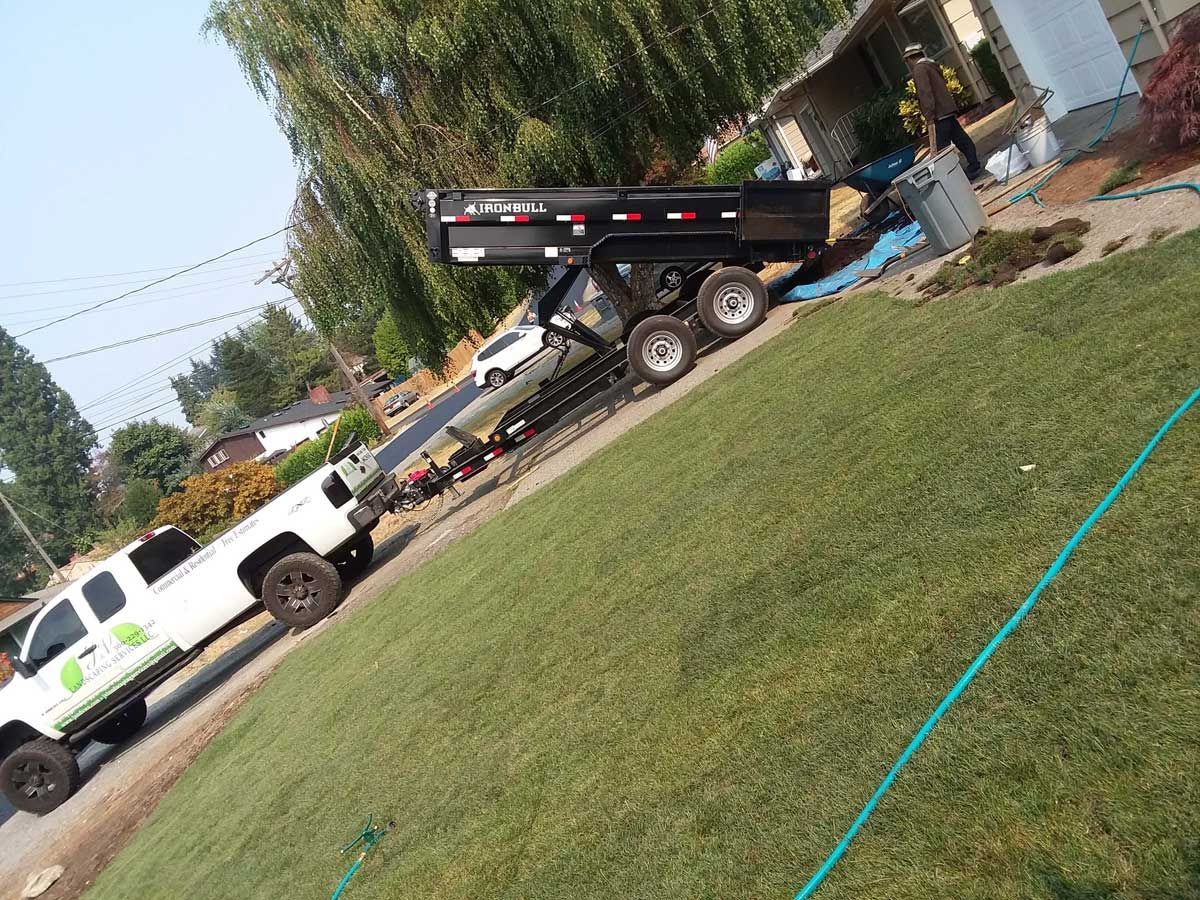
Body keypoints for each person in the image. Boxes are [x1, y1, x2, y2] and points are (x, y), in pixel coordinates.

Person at [904, 43, 981, 179]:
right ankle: (974, 165)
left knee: (942, 150)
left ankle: (955, 178)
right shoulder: (932, 65)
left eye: (907, 60)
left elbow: (925, 93)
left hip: (938, 114)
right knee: (961, 139)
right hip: (948, 110)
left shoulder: (920, 69)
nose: (908, 63)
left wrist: (929, 116)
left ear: (911, 58)